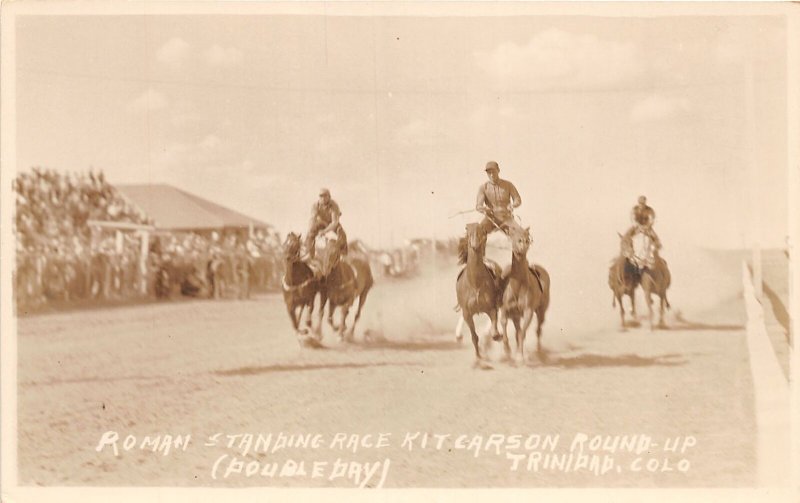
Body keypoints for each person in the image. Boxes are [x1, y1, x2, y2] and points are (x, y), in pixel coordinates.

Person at [475, 161, 524, 237]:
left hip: (507, 218)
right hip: (490, 219)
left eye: (493, 172)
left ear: (498, 170)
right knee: (477, 234)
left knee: (521, 236)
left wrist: (513, 205)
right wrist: (483, 209)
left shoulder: (508, 185)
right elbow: (478, 206)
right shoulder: (483, 187)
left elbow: (517, 199)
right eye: (489, 173)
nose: (491, 175)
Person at [303, 188, 348, 259]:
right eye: (321, 196)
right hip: (320, 222)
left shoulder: (334, 205)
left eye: (325, 196)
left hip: (331, 223)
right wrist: (310, 229)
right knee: (310, 232)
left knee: (342, 234)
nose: (323, 198)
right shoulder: (315, 205)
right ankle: (309, 253)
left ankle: (343, 255)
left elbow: (334, 222)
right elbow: (312, 218)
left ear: (329, 197)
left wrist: (324, 232)